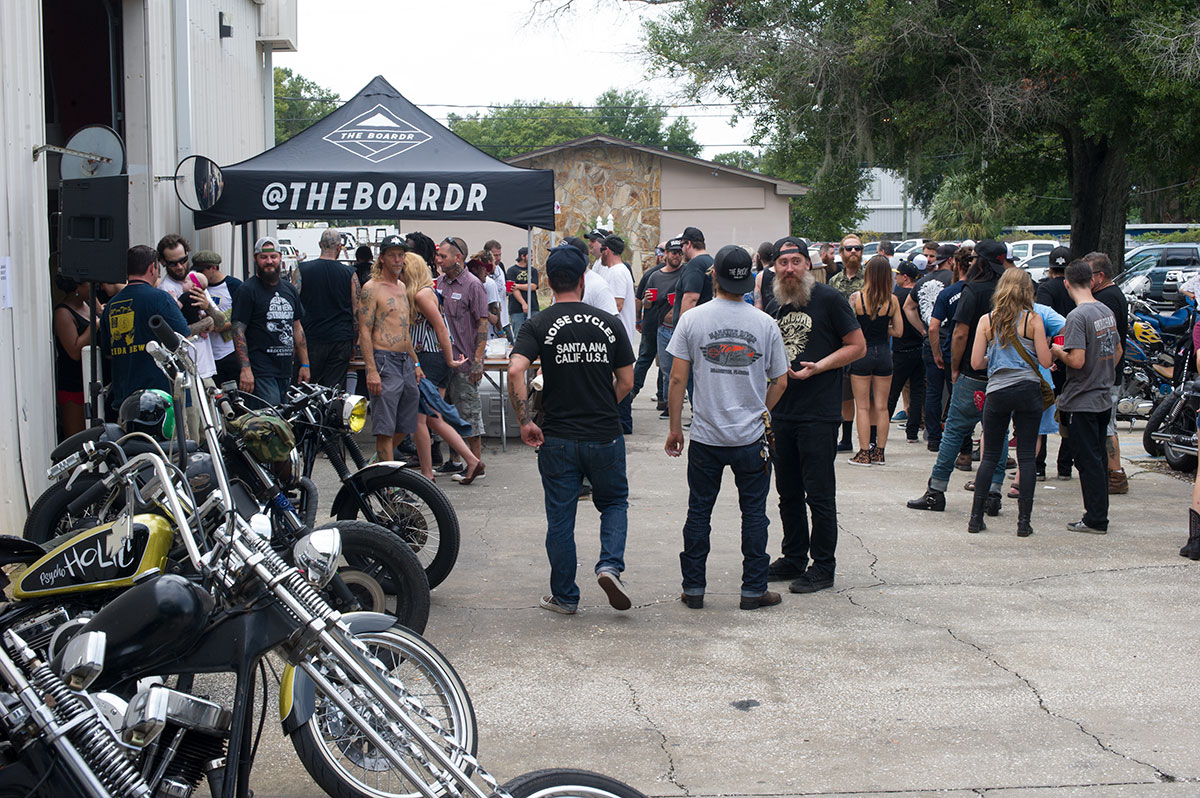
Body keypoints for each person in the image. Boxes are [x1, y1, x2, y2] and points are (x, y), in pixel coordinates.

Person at [507, 242, 635, 615]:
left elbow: (516, 370)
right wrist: (603, 406)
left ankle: (565, 596)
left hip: (557, 436)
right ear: (583, 279)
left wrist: (525, 420)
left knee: (560, 516)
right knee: (613, 502)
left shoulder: (538, 323)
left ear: (547, 282)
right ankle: (610, 565)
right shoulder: (609, 323)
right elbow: (626, 380)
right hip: (604, 434)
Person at [665, 245, 788, 610]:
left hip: (705, 436)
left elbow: (676, 379)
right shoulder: (765, 324)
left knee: (699, 512)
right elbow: (780, 381)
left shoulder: (692, 320)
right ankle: (753, 590)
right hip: (750, 438)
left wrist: (675, 428)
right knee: (753, 513)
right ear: (748, 281)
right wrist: (758, 412)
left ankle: (694, 589)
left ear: (714, 276)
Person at [767, 237, 865, 594]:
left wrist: (819, 367)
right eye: (783, 263)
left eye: (795, 261)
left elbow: (857, 346)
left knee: (819, 494)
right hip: (783, 412)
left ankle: (823, 565)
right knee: (787, 491)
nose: (789, 268)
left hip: (819, 413)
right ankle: (793, 557)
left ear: (808, 265)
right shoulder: (776, 304)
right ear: (775, 267)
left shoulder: (829, 299)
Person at [907, 240, 1010, 513]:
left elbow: (961, 332)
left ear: (982, 262)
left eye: (975, 258)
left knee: (953, 431)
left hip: (972, 372)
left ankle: (936, 492)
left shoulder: (971, 290)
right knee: (998, 434)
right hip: (1005, 373)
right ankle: (994, 493)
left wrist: (954, 366)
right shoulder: (1010, 291)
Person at [966, 268, 1052, 536]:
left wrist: (998, 358)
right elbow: (1046, 361)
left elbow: (976, 362)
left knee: (990, 455)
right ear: (1028, 291)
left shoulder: (986, 321)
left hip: (997, 391)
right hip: (1028, 390)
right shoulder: (1033, 320)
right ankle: (1023, 523)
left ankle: (975, 519)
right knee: (1026, 457)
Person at [399, 248, 480, 482]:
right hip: (433, 359)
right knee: (433, 418)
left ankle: (427, 473)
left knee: (420, 420)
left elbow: (441, 329)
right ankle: (472, 460)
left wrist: (449, 359)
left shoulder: (422, 295)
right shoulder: (425, 292)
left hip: (430, 359)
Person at [1053, 259, 1121, 533]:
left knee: (1087, 460)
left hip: (1082, 399)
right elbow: (1116, 351)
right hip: (1103, 395)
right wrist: (1101, 373)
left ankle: (1095, 518)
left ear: (1067, 283)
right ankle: (1098, 513)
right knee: (1097, 457)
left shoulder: (1077, 316)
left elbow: (1078, 360)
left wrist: (1058, 353)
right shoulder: (1104, 309)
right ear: (1092, 281)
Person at [98, 245, 190, 414]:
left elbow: (108, 352)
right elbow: (183, 338)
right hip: (163, 401)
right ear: (152, 268)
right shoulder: (160, 298)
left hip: (126, 403)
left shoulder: (111, 306)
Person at [231, 237, 309, 406]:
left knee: (284, 420)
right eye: (263, 257)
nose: (269, 261)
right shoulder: (247, 290)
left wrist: (305, 364)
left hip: (285, 370)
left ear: (280, 257)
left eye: (273, 257)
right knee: (270, 424)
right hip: (261, 372)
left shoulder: (289, 289)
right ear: (255, 259)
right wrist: (245, 369)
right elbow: (238, 331)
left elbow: (297, 328)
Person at [435, 235, 489, 468]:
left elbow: (483, 324)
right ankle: (454, 460)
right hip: (442, 362)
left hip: (465, 363)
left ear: (458, 258)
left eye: (443, 256)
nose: (438, 260)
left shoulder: (473, 285)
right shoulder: (438, 283)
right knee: (447, 413)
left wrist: (477, 360)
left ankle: (475, 463)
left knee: (469, 413)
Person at [846, 256, 904, 465]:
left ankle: (863, 452)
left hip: (862, 353)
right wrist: (882, 328)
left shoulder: (857, 299)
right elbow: (898, 331)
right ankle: (879, 452)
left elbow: (848, 328)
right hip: (883, 354)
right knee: (882, 407)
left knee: (862, 406)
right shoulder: (893, 300)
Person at [1084, 251, 1130, 495]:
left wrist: (1103, 372)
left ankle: (1115, 474)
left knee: (1108, 425)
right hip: (1108, 373)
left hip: (1108, 376)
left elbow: (1114, 344)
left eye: (1088, 274)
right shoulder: (1110, 295)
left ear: (1100, 276)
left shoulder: (1108, 299)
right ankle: (1111, 472)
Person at [294, 228, 357, 389]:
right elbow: (357, 312)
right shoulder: (350, 273)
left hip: (311, 338)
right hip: (340, 339)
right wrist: (354, 342)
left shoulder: (302, 269)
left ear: (320, 245)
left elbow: (293, 304)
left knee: (304, 390)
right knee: (334, 391)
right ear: (339, 247)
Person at [1035, 246, 1076, 478]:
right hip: (1073, 355)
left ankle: (1038, 466)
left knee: (1041, 410)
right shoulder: (1077, 289)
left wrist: (1048, 355)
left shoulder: (1045, 289)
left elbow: (1042, 324)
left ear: (1050, 268)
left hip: (1051, 357)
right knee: (1068, 412)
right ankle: (1064, 466)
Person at [596, 235, 637, 434]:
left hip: (618, 336)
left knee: (619, 379)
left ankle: (624, 424)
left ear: (607, 251)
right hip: (619, 334)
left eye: (602, 251)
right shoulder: (619, 270)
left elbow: (617, 304)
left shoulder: (617, 272)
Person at [830, 235, 866, 451]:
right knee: (844, 394)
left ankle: (867, 442)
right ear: (841, 253)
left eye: (857, 248)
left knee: (865, 397)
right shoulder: (834, 281)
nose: (853, 252)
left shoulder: (870, 278)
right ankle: (846, 438)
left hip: (865, 343)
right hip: (840, 345)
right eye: (849, 248)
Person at [53, 274, 97, 437]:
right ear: (77, 288)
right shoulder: (63, 313)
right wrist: (94, 326)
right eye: (89, 284)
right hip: (73, 384)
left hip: (92, 381)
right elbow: (74, 351)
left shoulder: (89, 303)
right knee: (77, 438)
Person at [887, 260, 926, 444]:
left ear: (905, 277)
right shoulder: (918, 295)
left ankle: (882, 427)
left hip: (901, 350)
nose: (895, 278)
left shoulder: (896, 296)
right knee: (918, 391)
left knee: (892, 391)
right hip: (919, 348)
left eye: (898, 274)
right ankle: (912, 432)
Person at [193, 250, 242, 385]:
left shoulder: (234, 285)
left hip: (229, 351)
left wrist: (221, 326)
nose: (199, 275)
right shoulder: (196, 286)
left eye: (202, 271)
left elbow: (242, 317)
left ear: (213, 268)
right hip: (207, 355)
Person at [649, 237, 686, 417]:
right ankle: (668, 406)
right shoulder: (656, 276)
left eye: (680, 252)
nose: (677, 256)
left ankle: (685, 406)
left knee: (688, 372)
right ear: (666, 254)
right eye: (673, 252)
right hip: (663, 329)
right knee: (666, 370)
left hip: (682, 329)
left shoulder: (687, 272)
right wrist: (648, 301)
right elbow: (648, 305)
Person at [631, 245, 667, 409]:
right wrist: (639, 320)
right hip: (657, 324)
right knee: (663, 364)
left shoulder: (651, 273)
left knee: (645, 359)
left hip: (652, 323)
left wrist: (638, 320)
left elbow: (638, 300)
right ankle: (662, 398)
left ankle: (631, 392)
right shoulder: (655, 274)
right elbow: (640, 299)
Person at [671, 227, 713, 324]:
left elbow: (691, 298)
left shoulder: (695, 264)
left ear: (688, 244)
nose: (681, 250)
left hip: (695, 326)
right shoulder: (711, 261)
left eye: (682, 245)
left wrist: (681, 329)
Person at [483, 240, 512, 340]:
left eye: (500, 254)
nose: (498, 258)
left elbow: (503, 287)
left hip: (505, 320)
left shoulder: (501, 267)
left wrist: (508, 291)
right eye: (495, 255)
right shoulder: (484, 276)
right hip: (493, 324)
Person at [506, 246, 539, 332]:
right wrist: (523, 303)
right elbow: (511, 289)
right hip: (516, 309)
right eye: (530, 256)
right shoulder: (511, 270)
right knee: (518, 334)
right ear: (522, 256)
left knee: (535, 333)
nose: (532, 258)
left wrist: (517, 285)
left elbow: (533, 286)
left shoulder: (533, 270)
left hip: (533, 307)